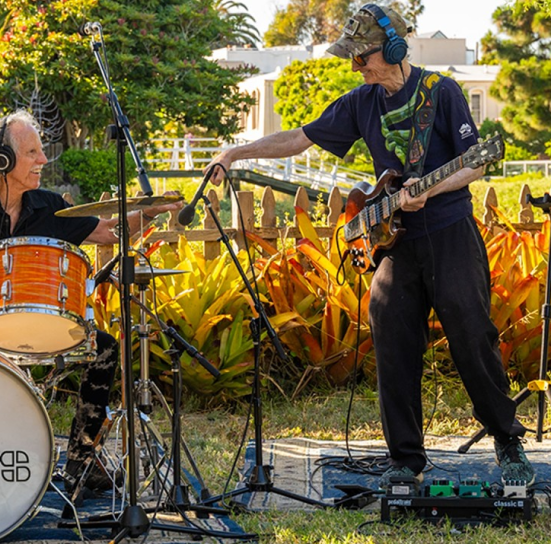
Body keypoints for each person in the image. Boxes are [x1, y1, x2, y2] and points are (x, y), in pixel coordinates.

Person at [205, 4, 534, 489]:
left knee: (471, 334)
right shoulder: (361, 102)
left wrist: (432, 190)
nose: (355, 66)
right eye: (352, 58)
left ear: (395, 50)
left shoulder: (441, 92)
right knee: (390, 334)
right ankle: (405, 457)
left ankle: (507, 440)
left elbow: (475, 163)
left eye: (362, 57)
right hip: (396, 241)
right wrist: (236, 152)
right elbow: (299, 139)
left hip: (449, 232)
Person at [0, 109, 182, 493]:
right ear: (2, 159)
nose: (43, 160)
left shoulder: (48, 206)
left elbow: (110, 233)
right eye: (32, 152)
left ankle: (82, 461)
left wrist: (151, 212)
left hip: (30, 322)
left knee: (103, 348)